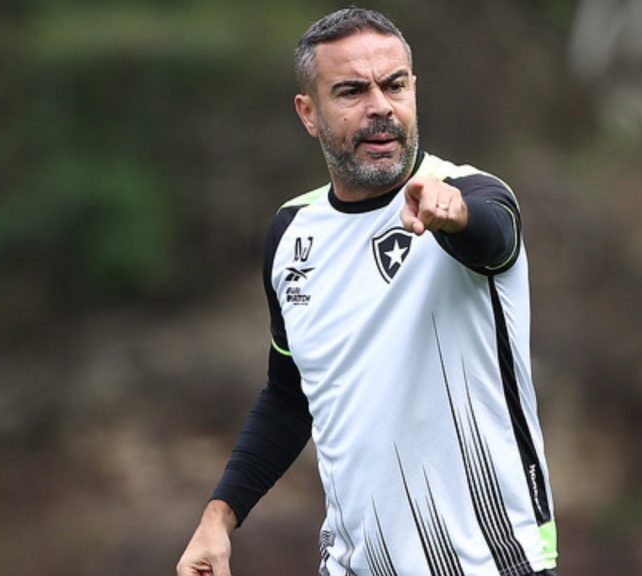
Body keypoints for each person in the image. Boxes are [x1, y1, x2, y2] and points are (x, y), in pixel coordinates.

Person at [177, 8, 558, 576]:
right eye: (352, 91)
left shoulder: (471, 193)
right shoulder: (291, 234)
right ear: (309, 113)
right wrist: (218, 518)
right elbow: (289, 396)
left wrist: (453, 214)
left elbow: (493, 235)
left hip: (494, 562)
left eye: (394, 85)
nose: (380, 106)